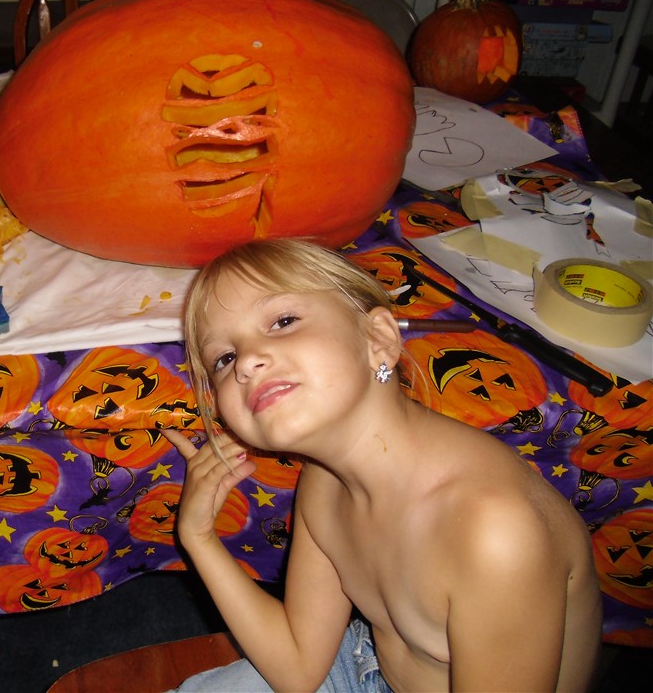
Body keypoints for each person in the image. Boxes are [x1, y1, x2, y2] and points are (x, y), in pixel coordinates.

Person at [163, 238, 602, 692]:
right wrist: (198, 536)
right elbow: (297, 669)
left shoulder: (493, 533)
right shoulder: (324, 484)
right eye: (224, 358)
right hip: (364, 661)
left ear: (379, 339)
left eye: (283, 321)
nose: (247, 363)